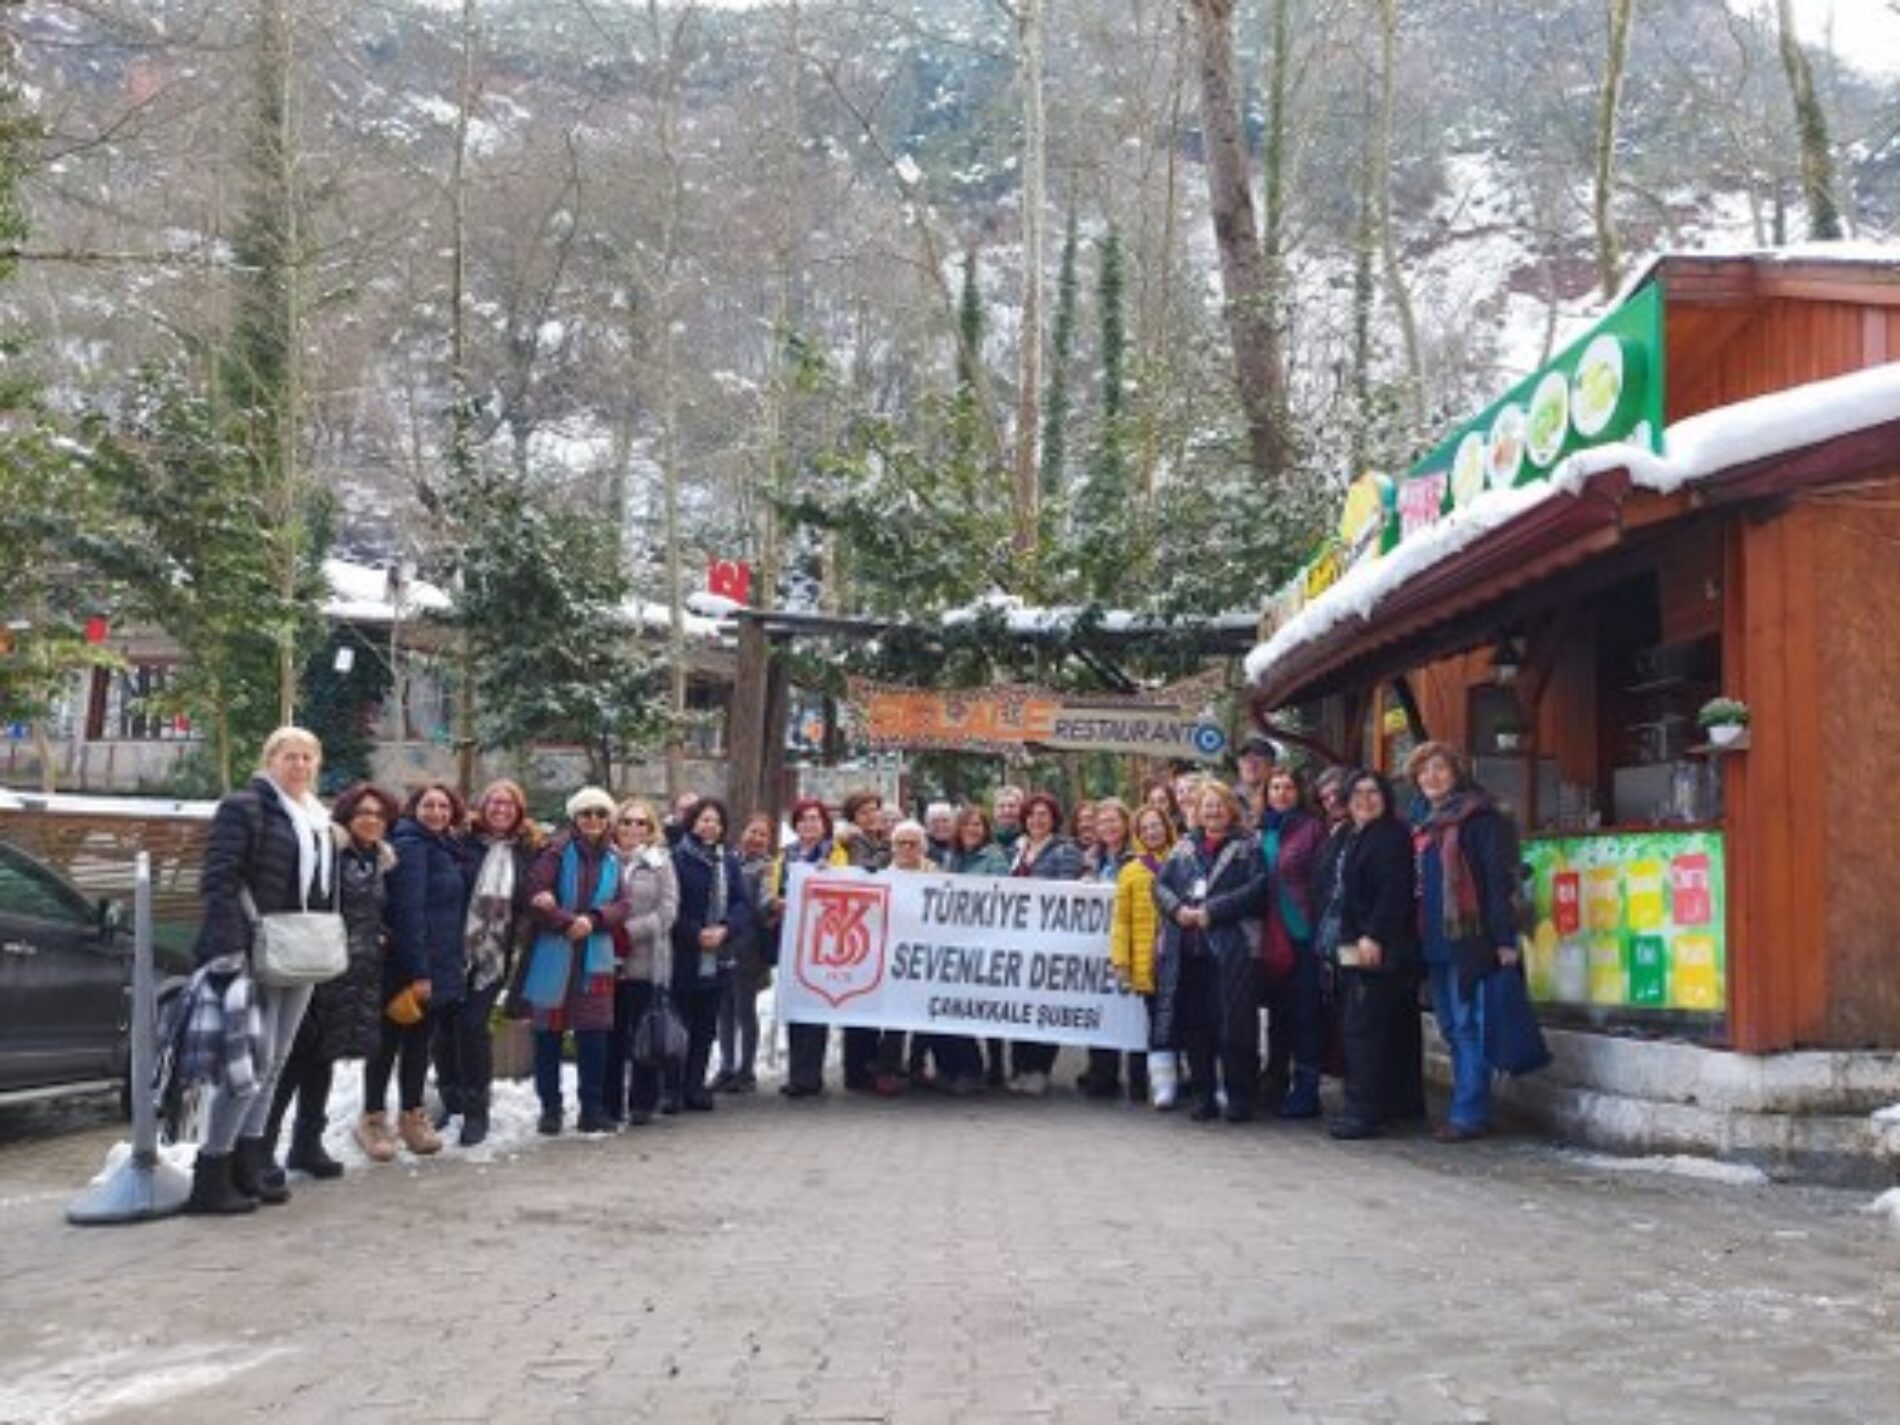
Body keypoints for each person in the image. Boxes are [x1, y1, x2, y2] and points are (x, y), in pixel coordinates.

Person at [187, 726, 337, 1214]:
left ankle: (247, 1163)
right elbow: (219, 879)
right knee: (248, 1064)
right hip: (253, 949)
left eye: (307, 758)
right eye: (289, 756)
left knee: (276, 1061)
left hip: (301, 948)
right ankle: (212, 1172)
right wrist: (230, 947)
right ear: (270, 759)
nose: (299, 766)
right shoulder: (245, 806)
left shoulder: (317, 816)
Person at [260, 781, 399, 1182]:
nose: (371, 820)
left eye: (378, 814)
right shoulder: (330, 853)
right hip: (319, 968)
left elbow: (372, 910)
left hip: (357, 973)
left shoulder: (379, 859)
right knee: (293, 1058)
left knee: (322, 1058)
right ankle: (262, 1149)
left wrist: (382, 933)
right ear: (347, 817)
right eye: (363, 813)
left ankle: (307, 1145)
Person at [1407, 741, 1522, 1143]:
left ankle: (1469, 1113)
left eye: (1439, 769)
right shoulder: (1425, 823)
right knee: (1452, 1028)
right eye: (1423, 772)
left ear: (1456, 772)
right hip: (1433, 939)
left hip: (1470, 938)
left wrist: (1505, 940)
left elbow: (1496, 881)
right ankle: (1470, 1107)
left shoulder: (1480, 818)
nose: (1430, 778)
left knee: (1467, 1025)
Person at [1152, 780, 1268, 1123]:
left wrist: (1212, 911)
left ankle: (1239, 1097)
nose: (1212, 811)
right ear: (1196, 811)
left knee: (1235, 1025)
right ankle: (1204, 1095)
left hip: (1232, 950)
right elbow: (1160, 886)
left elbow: (1258, 889)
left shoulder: (1249, 846)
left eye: (1218, 805)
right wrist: (1177, 911)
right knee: (1195, 1027)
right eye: (1206, 806)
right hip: (1189, 952)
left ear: (1230, 808)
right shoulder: (1184, 847)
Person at [520, 788, 631, 1135]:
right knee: (548, 1036)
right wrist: (569, 923)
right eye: (586, 814)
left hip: (595, 955)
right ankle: (550, 1110)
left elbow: (623, 904)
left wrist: (594, 920)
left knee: (594, 1036)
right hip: (554, 952)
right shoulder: (554, 852)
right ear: (575, 818)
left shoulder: (615, 858)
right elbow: (535, 895)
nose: (593, 820)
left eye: (600, 814)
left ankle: (591, 1109)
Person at [441, 779, 543, 1147]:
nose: (501, 809)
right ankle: (450, 1096)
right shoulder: (461, 844)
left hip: (495, 955)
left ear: (519, 812)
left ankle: (476, 1109)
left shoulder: (528, 851)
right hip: (453, 948)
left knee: (473, 1024)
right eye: (494, 802)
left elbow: (533, 895)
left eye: (509, 804)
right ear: (482, 807)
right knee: (448, 1024)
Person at [378, 783, 475, 1157]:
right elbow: (409, 911)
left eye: (443, 805)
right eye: (428, 805)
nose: (436, 812)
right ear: (413, 808)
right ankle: (375, 1117)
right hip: (413, 966)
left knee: (420, 1043)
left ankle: (411, 1114)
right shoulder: (412, 845)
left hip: (439, 961)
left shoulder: (444, 844)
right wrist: (419, 971)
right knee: (391, 1044)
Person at [1322, 770, 1419, 1141]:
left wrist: (1373, 935)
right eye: (1357, 792)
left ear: (1386, 797)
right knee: (1386, 1026)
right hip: (1351, 942)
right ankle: (1399, 1104)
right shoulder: (1351, 834)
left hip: (1375, 944)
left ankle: (1363, 1111)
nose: (1365, 798)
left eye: (1373, 792)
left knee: (1363, 1028)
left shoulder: (1391, 835)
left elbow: (1395, 891)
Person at [670, 797, 755, 1112]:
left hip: (718, 957)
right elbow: (670, 906)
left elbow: (742, 904)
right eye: (705, 820)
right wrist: (695, 934)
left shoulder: (728, 861)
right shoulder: (677, 858)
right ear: (693, 822)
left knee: (706, 1027)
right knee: (680, 1024)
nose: (710, 827)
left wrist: (726, 929)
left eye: (716, 822)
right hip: (684, 955)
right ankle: (673, 1087)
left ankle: (695, 1085)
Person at [1005, 791, 1085, 1096]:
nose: (1036, 820)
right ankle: (1020, 1067)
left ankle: (1040, 1069)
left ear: (1053, 819)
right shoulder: (1017, 848)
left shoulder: (1066, 850)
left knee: (1043, 1007)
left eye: (1043, 815)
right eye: (1031, 815)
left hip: (1049, 942)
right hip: (1016, 942)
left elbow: (1066, 892)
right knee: (1017, 1007)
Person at [603, 798, 677, 1126]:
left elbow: (667, 912)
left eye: (641, 823)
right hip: (606, 962)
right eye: (626, 822)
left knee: (643, 1034)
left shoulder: (660, 863)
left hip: (646, 963)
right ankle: (609, 1103)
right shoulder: (605, 860)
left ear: (651, 829)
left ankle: (642, 1102)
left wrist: (629, 933)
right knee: (611, 1037)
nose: (633, 828)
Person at [1259, 766, 1327, 1119]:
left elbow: (1321, 882)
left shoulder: (1311, 829)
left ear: (1299, 792)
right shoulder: (1262, 830)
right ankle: (1275, 1081)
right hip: (1269, 939)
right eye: (1275, 787)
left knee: (1305, 1015)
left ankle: (1307, 1088)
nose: (1281, 793)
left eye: (1288, 787)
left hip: (1302, 935)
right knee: (1278, 1016)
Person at [772, 799, 848, 1098]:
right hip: (791, 938)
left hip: (823, 941)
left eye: (815, 819)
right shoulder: (786, 855)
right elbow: (774, 890)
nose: (809, 824)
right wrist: (777, 903)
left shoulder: (836, 854)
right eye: (803, 819)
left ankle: (811, 1074)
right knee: (795, 1008)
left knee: (816, 1008)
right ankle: (795, 1073)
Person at [946, 804, 1012, 1088]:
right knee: (961, 1007)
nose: (972, 830)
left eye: (977, 825)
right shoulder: (952, 858)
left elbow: (1003, 894)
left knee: (987, 1007)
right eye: (967, 825)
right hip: (958, 944)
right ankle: (972, 1066)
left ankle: (995, 1066)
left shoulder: (994, 857)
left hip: (986, 941)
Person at [1077, 796, 1136, 1100]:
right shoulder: (1091, 858)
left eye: (1114, 820)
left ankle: (1139, 1080)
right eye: (1102, 822)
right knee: (1100, 1008)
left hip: (1130, 944)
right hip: (1097, 947)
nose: (1108, 827)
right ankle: (1102, 1073)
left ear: (1126, 823)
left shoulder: (1136, 855)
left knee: (1131, 1010)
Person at [1116, 804, 1174, 1106]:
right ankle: (1159, 1084)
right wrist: (1121, 962)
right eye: (1146, 828)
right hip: (1147, 961)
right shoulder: (1130, 871)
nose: (1153, 832)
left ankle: (1180, 1079)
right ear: (1138, 834)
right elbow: (1121, 921)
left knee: (1180, 1021)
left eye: (1157, 825)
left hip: (1179, 958)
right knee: (1153, 1022)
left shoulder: (1181, 860)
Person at [713, 811, 775, 1093]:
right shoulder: (726, 861)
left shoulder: (768, 868)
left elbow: (764, 903)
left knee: (744, 1009)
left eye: (763, 834)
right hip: (722, 942)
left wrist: (773, 906)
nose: (757, 839)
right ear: (742, 833)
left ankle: (746, 1069)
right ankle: (726, 1065)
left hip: (749, 947)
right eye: (753, 832)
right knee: (723, 1010)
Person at [835, 788, 890, 1090]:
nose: (871, 816)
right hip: (858, 928)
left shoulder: (881, 840)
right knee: (858, 1001)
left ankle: (870, 1062)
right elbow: (868, 870)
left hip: (880, 929)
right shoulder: (854, 842)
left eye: (874, 810)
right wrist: (887, 850)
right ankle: (856, 1069)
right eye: (864, 812)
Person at [1235, 734, 1278, 831]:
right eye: (1246, 760)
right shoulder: (1226, 798)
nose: (1252, 765)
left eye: (1258, 760)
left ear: (1271, 766)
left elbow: (1271, 844)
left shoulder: (1281, 798)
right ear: (1239, 764)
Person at [992, 784, 1027, 853]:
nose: (1006, 811)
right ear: (994, 811)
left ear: (1021, 809)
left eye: (1012, 806)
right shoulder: (985, 839)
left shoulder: (1030, 839)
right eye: (1001, 806)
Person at [924, 802, 958, 866]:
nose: (940, 825)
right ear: (927, 825)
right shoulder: (921, 848)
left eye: (945, 821)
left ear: (954, 823)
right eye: (935, 821)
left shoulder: (962, 847)